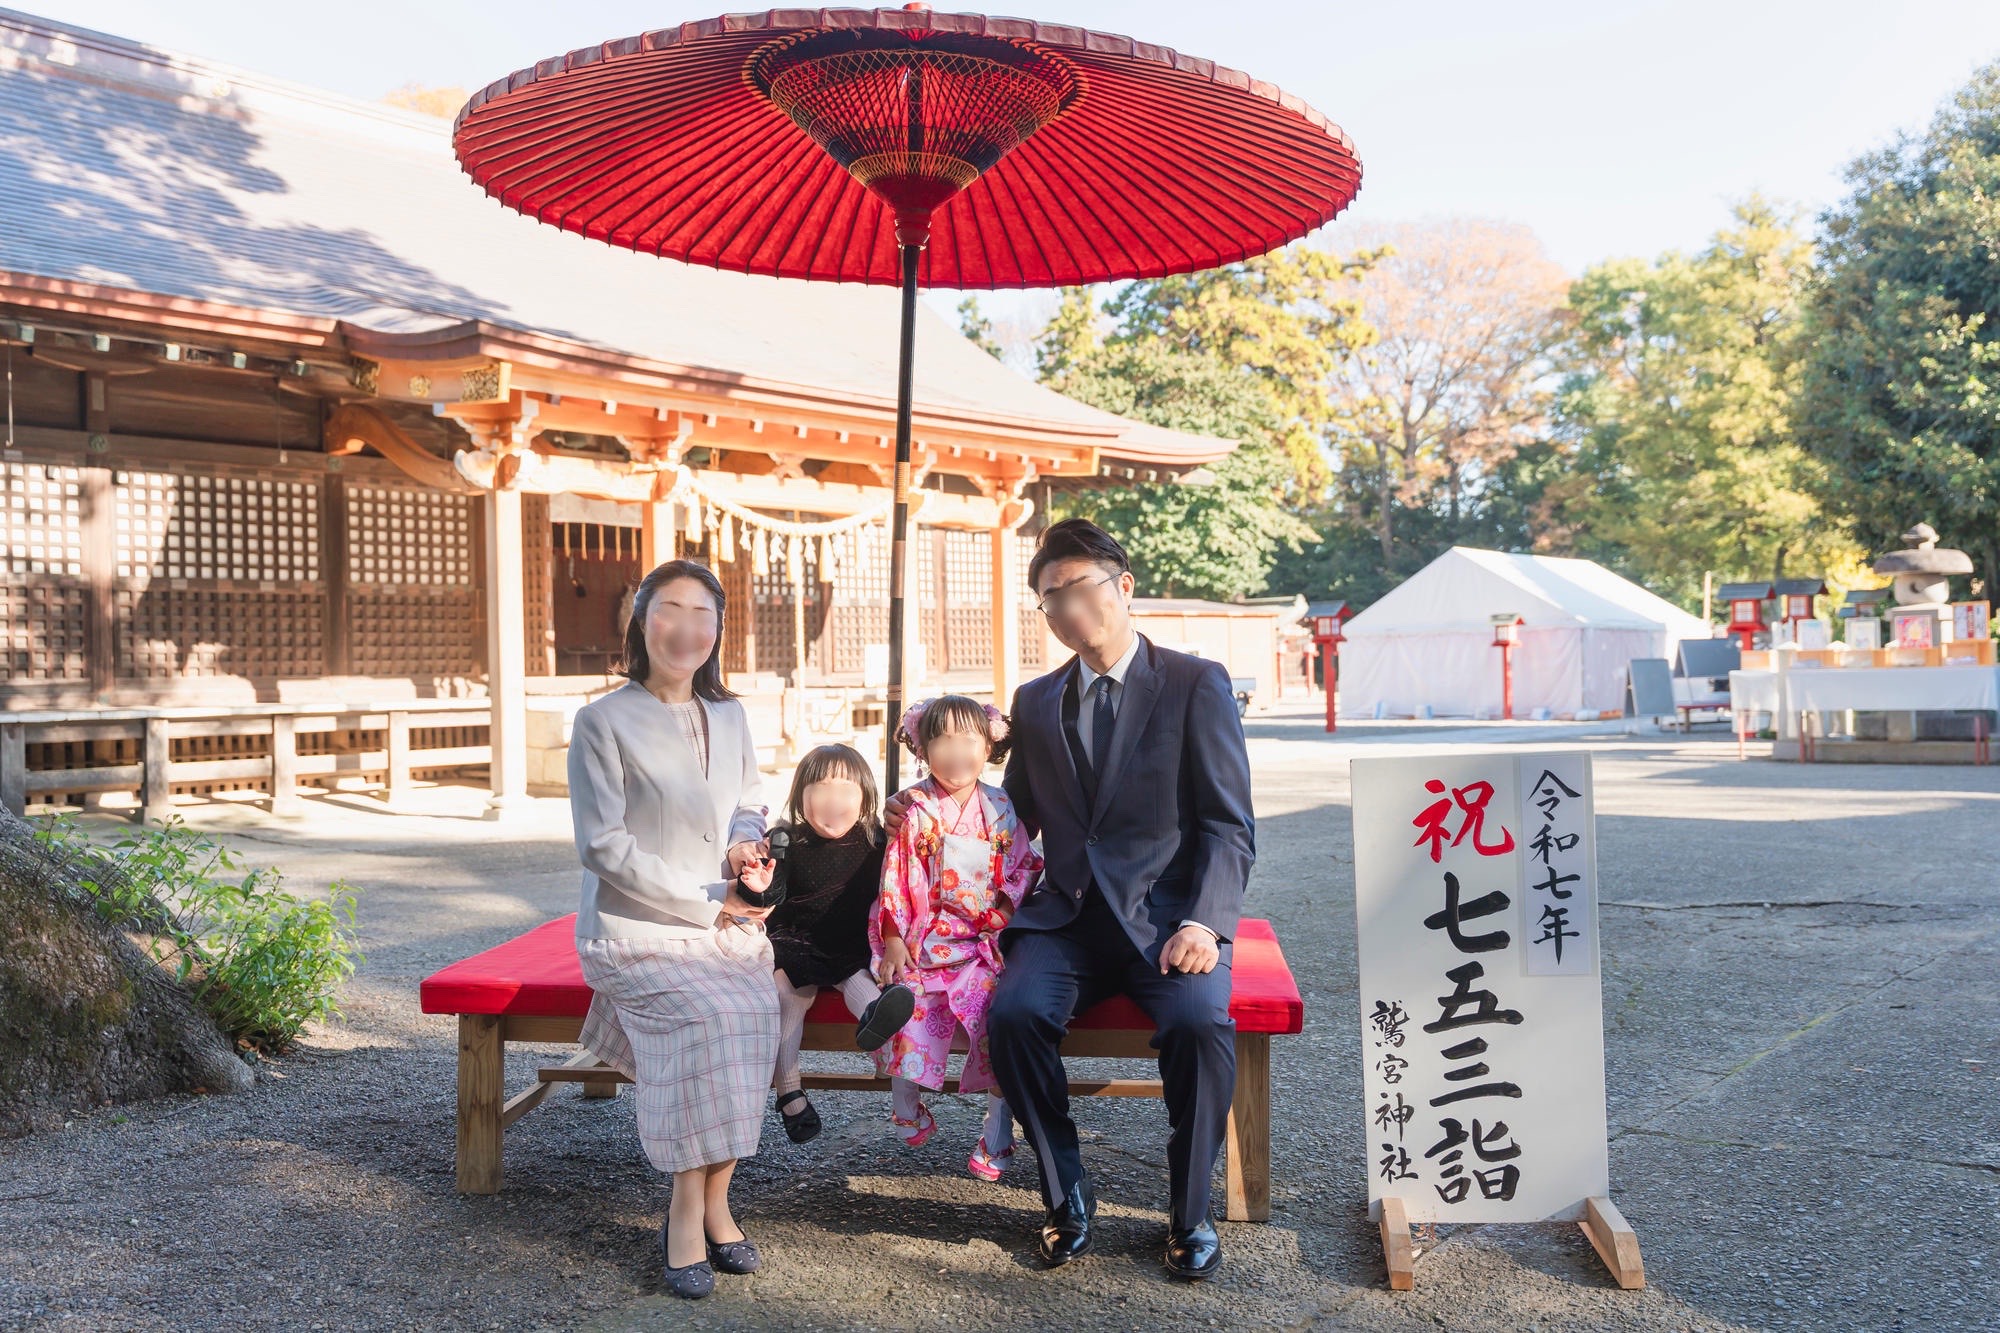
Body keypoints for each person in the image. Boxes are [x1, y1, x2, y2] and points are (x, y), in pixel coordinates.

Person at [883, 518, 1255, 1280]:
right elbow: (1000, 815)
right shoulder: (1038, 697)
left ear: (1123, 586)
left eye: (1080, 587)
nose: (1066, 607)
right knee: (1013, 1014)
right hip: (1069, 919)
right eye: (1050, 597)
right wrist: (915, 806)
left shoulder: (1194, 682)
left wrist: (1205, 922)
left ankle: (1189, 1211)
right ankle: (1066, 1193)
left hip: (1168, 921)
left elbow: (1228, 823)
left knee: (1200, 1025)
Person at [566, 559, 778, 1301]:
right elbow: (602, 846)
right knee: (710, 1018)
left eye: (703, 613)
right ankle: (688, 1210)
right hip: (638, 927)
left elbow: (749, 800)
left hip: (724, 915)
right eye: (670, 609)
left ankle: (717, 1201)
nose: (687, 627)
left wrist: (746, 848)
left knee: (756, 1012)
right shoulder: (602, 719)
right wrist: (709, 900)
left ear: (717, 629)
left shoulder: (731, 713)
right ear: (640, 618)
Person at [870, 695, 1042, 1180]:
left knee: (998, 1015)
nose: (956, 751)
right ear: (921, 747)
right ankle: (906, 1104)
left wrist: (1005, 908)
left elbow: (1023, 865)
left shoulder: (1001, 805)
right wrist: (894, 938)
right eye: (942, 738)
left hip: (984, 941)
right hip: (923, 936)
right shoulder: (916, 808)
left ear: (989, 743)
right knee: (908, 1002)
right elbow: (897, 875)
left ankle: (997, 1132)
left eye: (968, 738)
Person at [762, 743, 915, 1144]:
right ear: (800, 795)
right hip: (795, 939)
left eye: (846, 788)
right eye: (821, 787)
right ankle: (789, 1092)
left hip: (850, 943)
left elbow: (899, 888)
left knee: (856, 976)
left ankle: (876, 1016)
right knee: (788, 993)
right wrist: (768, 857)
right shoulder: (788, 840)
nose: (833, 800)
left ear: (866, 796)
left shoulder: (875, 840)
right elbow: (768, 896)